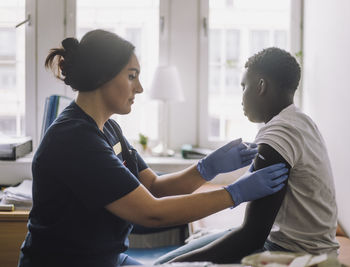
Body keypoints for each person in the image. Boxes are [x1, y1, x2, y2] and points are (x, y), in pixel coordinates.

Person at [17, 30, 289, 267]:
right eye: (132, 76)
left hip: (106, 258)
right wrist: (235, 193)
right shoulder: (75, 139)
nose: (140, 88)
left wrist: (208, 167)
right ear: (103, 76)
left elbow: (155, 187)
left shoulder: (107, 128)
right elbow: (151, 212)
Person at [156, 47, 339, 264]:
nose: (241, 97)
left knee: (164, 264)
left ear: (261, 86)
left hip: (295, 256)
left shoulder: (280, 134)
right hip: (304, 248)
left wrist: (175, 265)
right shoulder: (301, 120)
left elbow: (251, 238)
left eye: (244, 86)